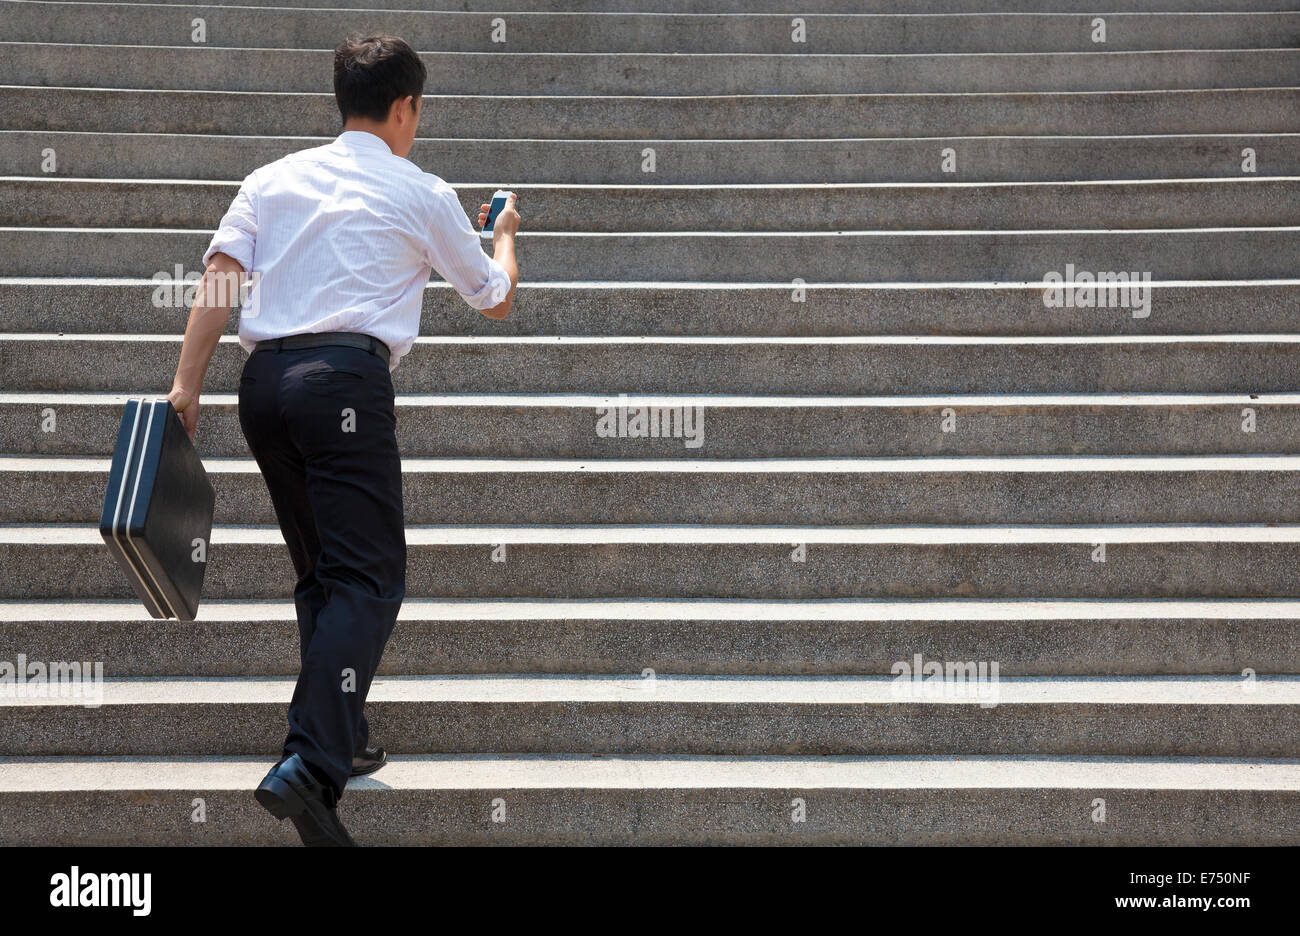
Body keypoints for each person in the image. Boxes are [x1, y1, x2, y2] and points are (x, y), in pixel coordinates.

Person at [164, 34, 521, 846]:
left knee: (322, 571)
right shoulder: (421, 190)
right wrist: (506, 233)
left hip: (265, 390)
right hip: (345, 387)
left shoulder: (273, 179)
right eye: (418, 112)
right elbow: (493, 297)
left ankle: (343, 735)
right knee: (368, 578)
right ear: (405, 108)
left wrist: (188, 384)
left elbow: (221, 274)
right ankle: (310, 761)